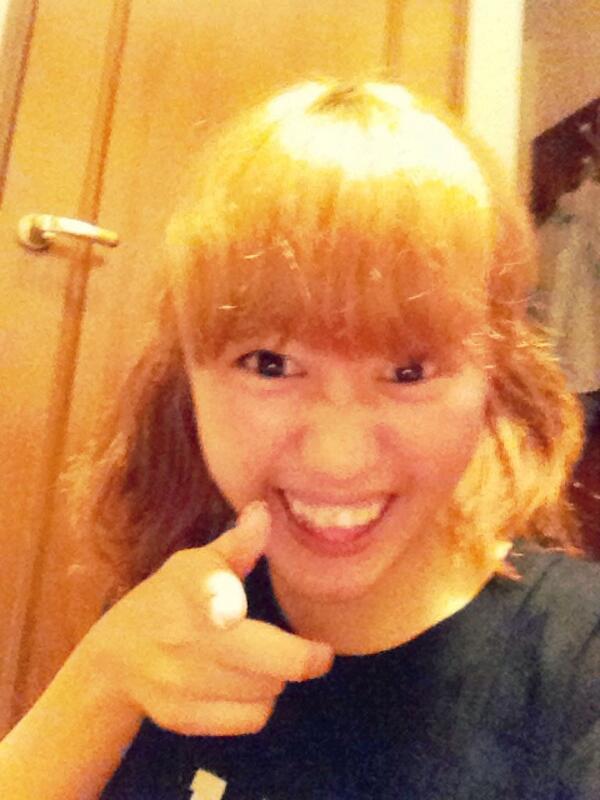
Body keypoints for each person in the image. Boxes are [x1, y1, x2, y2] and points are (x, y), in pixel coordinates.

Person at [1, 79, 599, 800]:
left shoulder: (578, 661)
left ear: (494, 379)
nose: (336, 458)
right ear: (188, 379)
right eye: (269, 364)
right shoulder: (169, 618)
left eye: (408, 371)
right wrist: (101, 677)